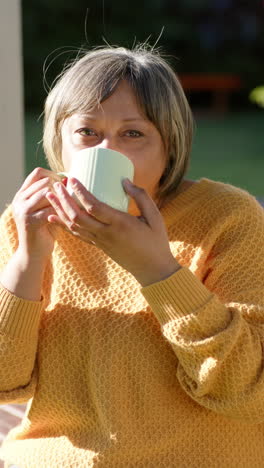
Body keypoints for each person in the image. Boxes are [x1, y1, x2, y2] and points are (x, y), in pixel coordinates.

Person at [0, 44, 264, 468]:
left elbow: (248, 391)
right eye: (87, 132)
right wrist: (27, 263)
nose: (108, 151)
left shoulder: (227, 219)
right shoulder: (27, 221)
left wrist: (158, 270)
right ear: (60, 143)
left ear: (170, 147)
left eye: (133, 134)